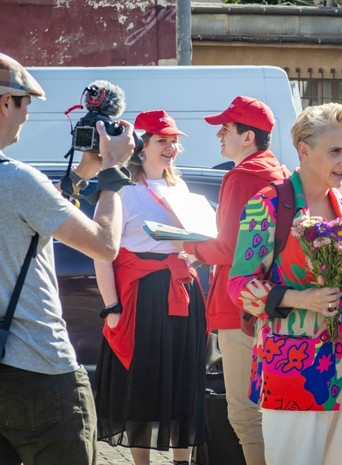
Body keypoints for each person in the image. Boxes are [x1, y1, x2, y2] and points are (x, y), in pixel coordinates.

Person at [0, 52, 135, 465]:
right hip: (38, 370)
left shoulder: (20, 185)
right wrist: (112, 173)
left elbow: (34, 215)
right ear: (5, 103)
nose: (26, 115)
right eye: (25, 103)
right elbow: (104, 245)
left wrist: (82, 175)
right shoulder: (17, 180)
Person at [228, 103, 342, 465]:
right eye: (335, 151)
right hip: (294, 369)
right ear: (304, 150)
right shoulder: (268, 204)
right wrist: (300, 299)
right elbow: (239, 286)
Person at [93, 110, 207, 465]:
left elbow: (193, 241)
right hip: (141, 295)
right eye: (162, 140)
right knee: (142, 382)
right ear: (142, 146)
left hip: (181, 290)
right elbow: (101, 254)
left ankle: (181, 460)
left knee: (183, 379)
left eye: (174, 141)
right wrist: (112, 307)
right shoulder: (122, 191)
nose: (171, 147)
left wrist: (196, 252)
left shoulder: (180, 188)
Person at [181, 96, 289, 465]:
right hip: (274, 302)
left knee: (245, 413)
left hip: (239, 304)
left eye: (225, 129)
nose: (219, 136)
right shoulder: (281, 173)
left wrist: (186, 245)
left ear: (247, 137)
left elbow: (228, 246)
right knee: (273, 409)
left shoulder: (242, 175)